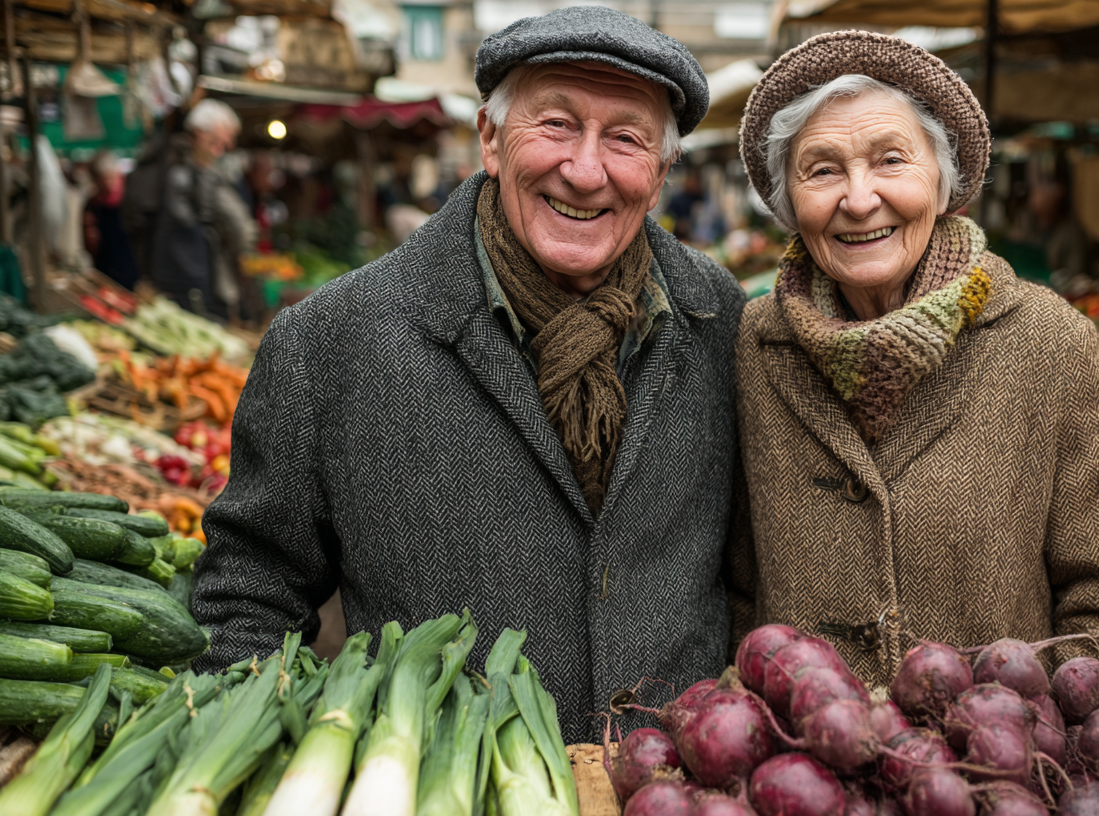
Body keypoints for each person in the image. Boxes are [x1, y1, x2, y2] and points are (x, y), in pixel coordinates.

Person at [189, 6, 746, 743]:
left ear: (663, 170)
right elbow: (248, 596)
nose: (585, 170)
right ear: (489, 138)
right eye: (554, 124)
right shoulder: (332, 341)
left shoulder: (723, 323)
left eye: (625, 138)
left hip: (674, 786)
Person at [728, 32, 1099, 686]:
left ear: (943, 182)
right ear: (790, 203)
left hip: (996, 765)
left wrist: (1061, 747)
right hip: (806, 761)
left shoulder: (1045, 339)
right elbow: (737, 580)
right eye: (821, 169)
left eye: (891, 161)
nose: (857, 198)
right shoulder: (756, 342)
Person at [123, 99, 256, 319]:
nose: (228, 146)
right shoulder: (204, 174)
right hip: (202, 284)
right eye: (225, 138)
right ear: (203, 135)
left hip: (156, 279)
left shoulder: (153, 162)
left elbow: (130, 220)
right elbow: (241, 231)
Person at [84, 151, 141, 289]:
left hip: (132, 267)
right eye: (103, 180)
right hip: (105, 269)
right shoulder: (93, 204)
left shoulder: (131, 198)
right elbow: (89, 241)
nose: (109, 185)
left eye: (111, 178)